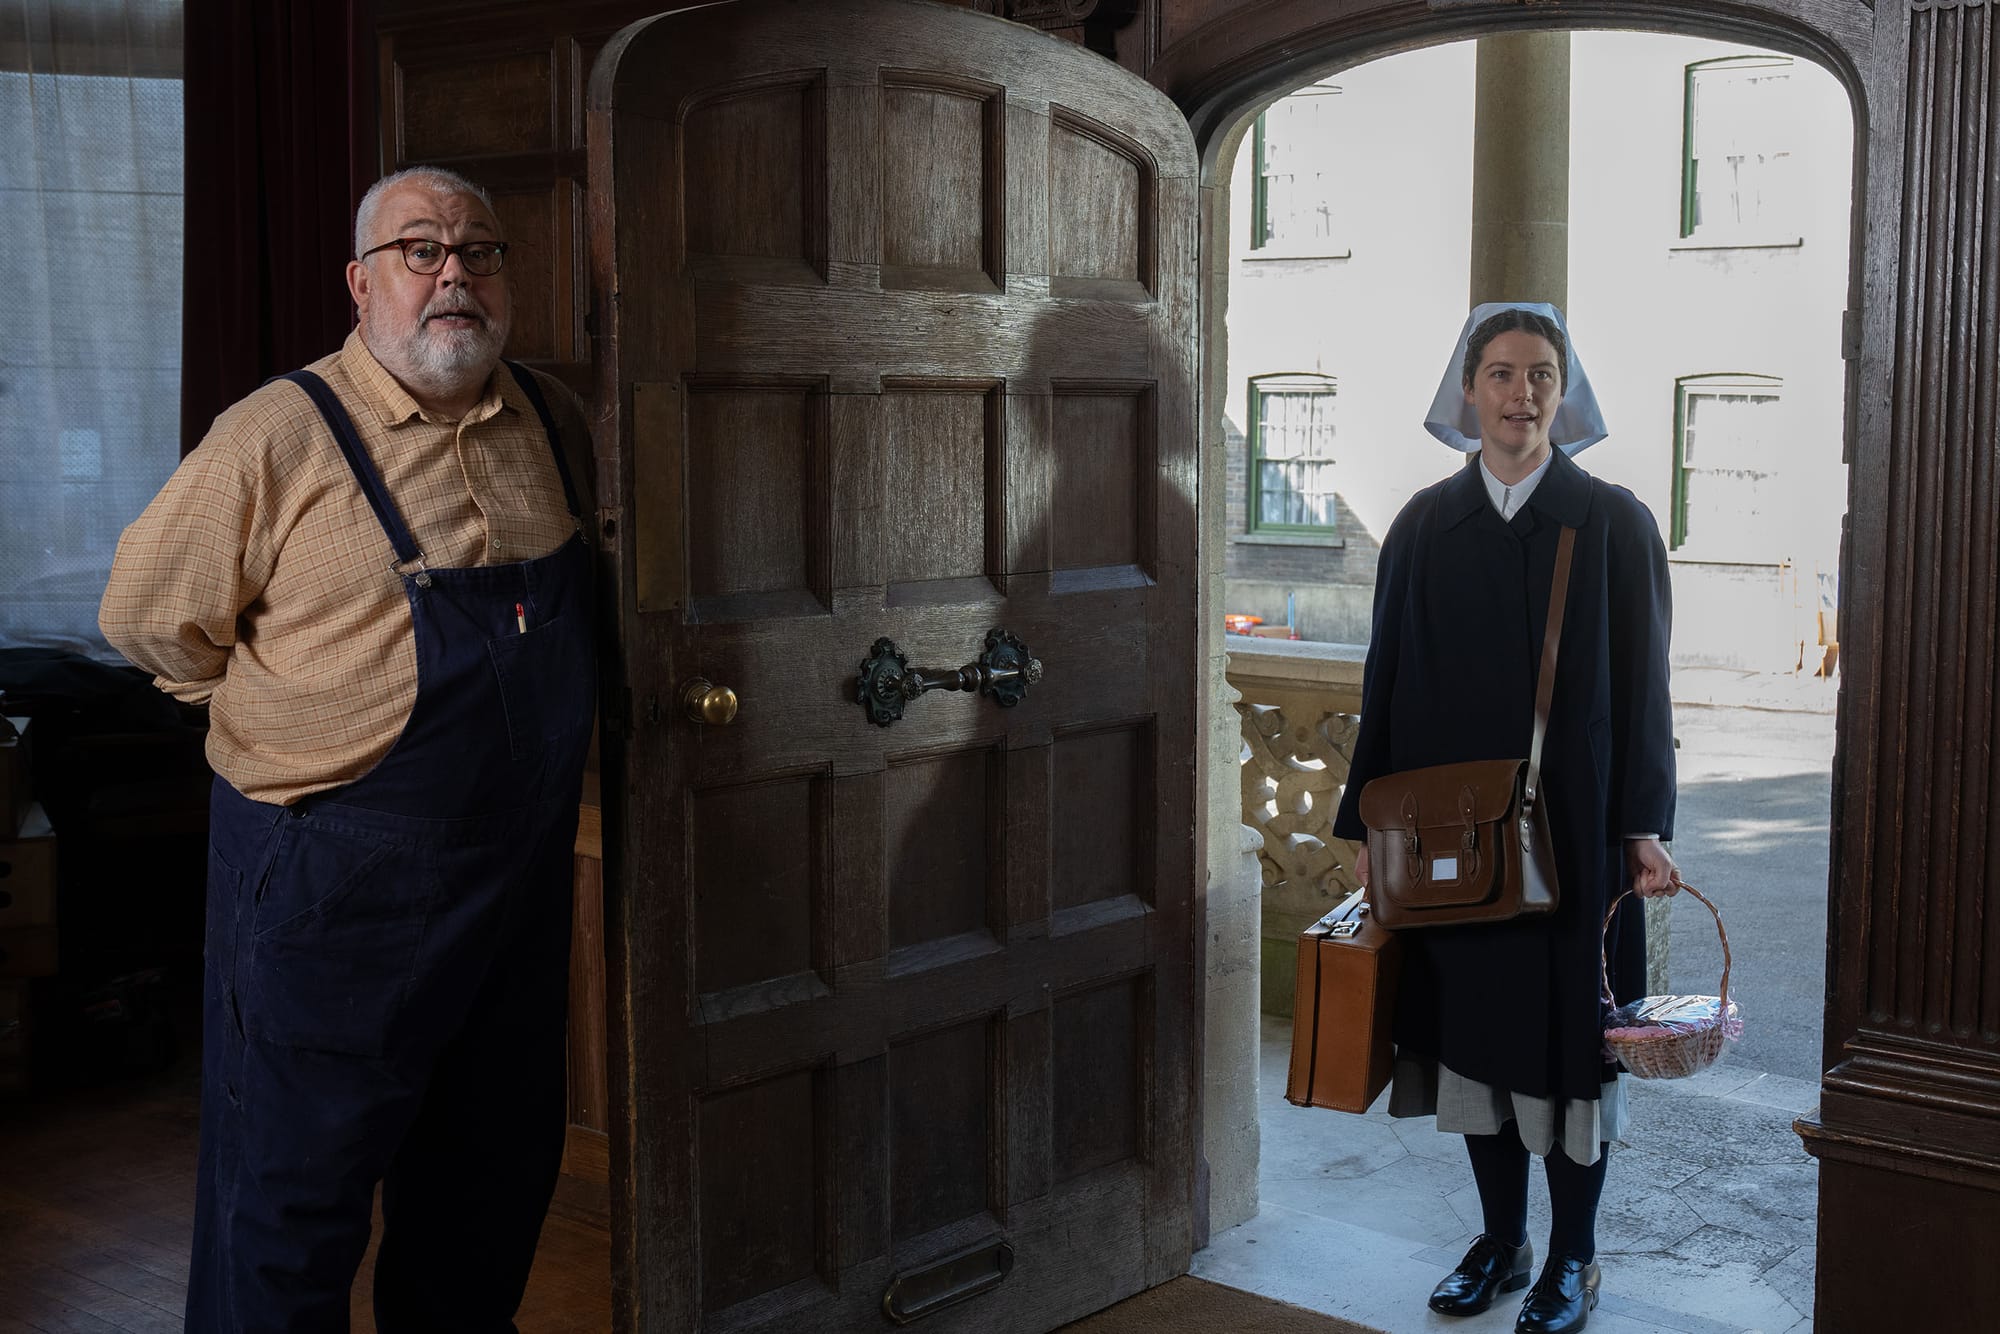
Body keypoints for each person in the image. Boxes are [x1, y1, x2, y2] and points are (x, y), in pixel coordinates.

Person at [99, 165, 597, 1331]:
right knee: (289, 1198)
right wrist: (283, 712)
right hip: (328, 885)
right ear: (360, 279)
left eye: (479, 251)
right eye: (420, 249)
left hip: (510, 884)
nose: (454, 274)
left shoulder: (552, 421)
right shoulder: (276, 434)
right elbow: (144, 616)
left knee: (487, 1182)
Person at [1330, 303, 1679, 1334]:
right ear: (1466, 392)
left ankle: (1571, 1254)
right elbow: (1382, 681)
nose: (1517, 392)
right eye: (1497, 372)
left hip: (1576, 845)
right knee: (1471, 1044)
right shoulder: (1421, 527)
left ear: (1560, 392)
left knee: (1572, 1049)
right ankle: (1499, 1238)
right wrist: (1364, 829)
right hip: (1446, 846)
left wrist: (1643, 824)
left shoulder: (1610, 522)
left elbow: (1646, 690)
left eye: (1537, 374)